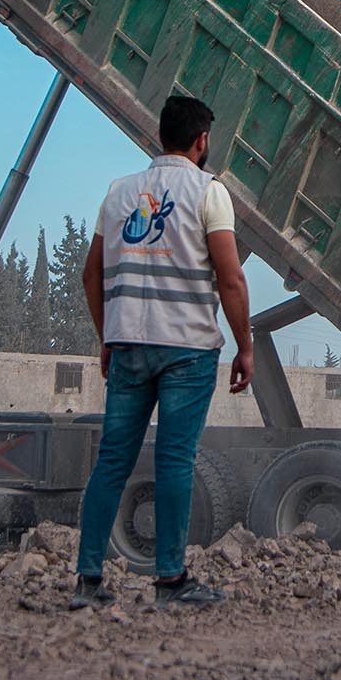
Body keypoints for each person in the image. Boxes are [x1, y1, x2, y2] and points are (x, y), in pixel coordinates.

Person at [71, 94, 254, 609]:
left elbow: (92, 274)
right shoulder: (208, 193)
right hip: (187, 349)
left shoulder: (119, 193)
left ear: (160, 137)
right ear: (201, 141)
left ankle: (87, 582)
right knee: (175, 460)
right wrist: (245, 347)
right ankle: (170, 581)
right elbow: (231, 279)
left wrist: (108, 335)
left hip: (129, 344)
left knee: (112, 462)